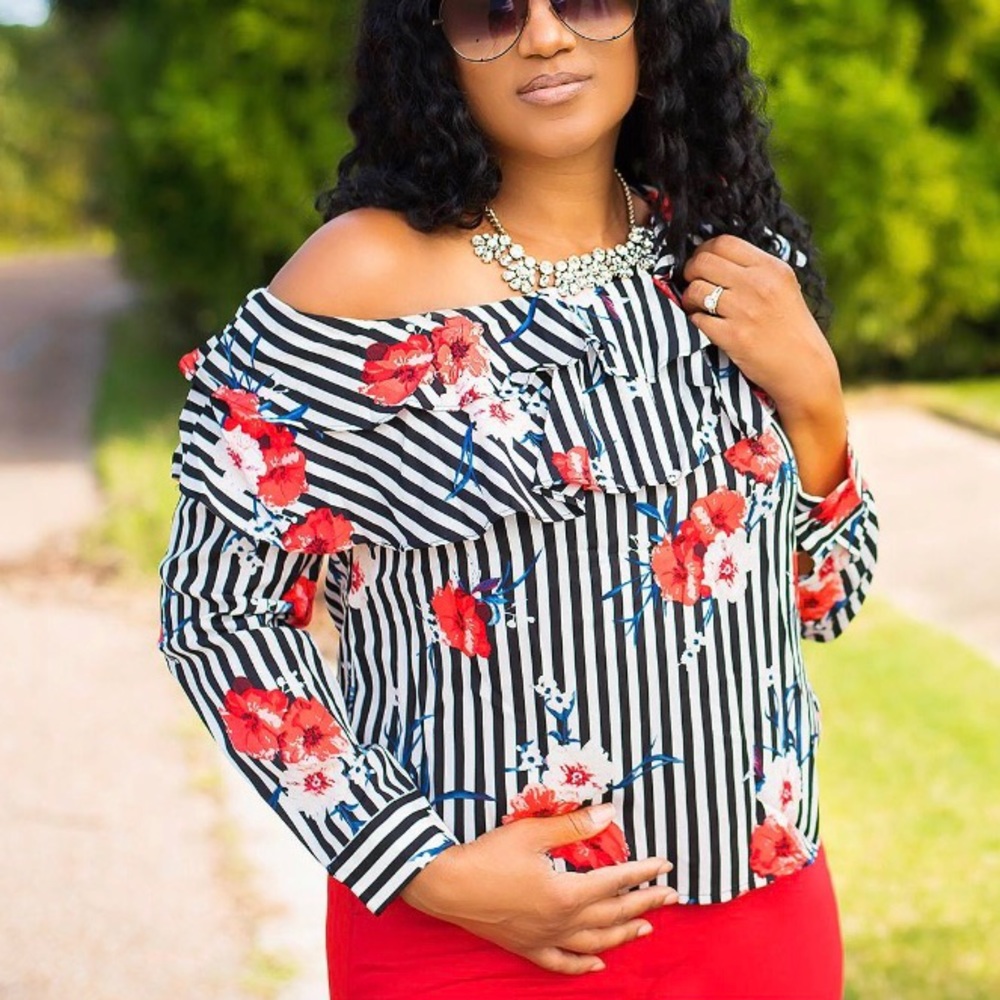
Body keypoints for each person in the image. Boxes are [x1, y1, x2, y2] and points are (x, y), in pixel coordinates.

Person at [158, 0, 878, 996]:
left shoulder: (728, 260)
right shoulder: (356, 283)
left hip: (755, 918)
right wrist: (417, 864)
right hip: (474, 939)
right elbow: (216, 609)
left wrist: (816, 401)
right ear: (430, 43)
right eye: (489, 10)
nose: (542, 37)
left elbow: (822, 601)